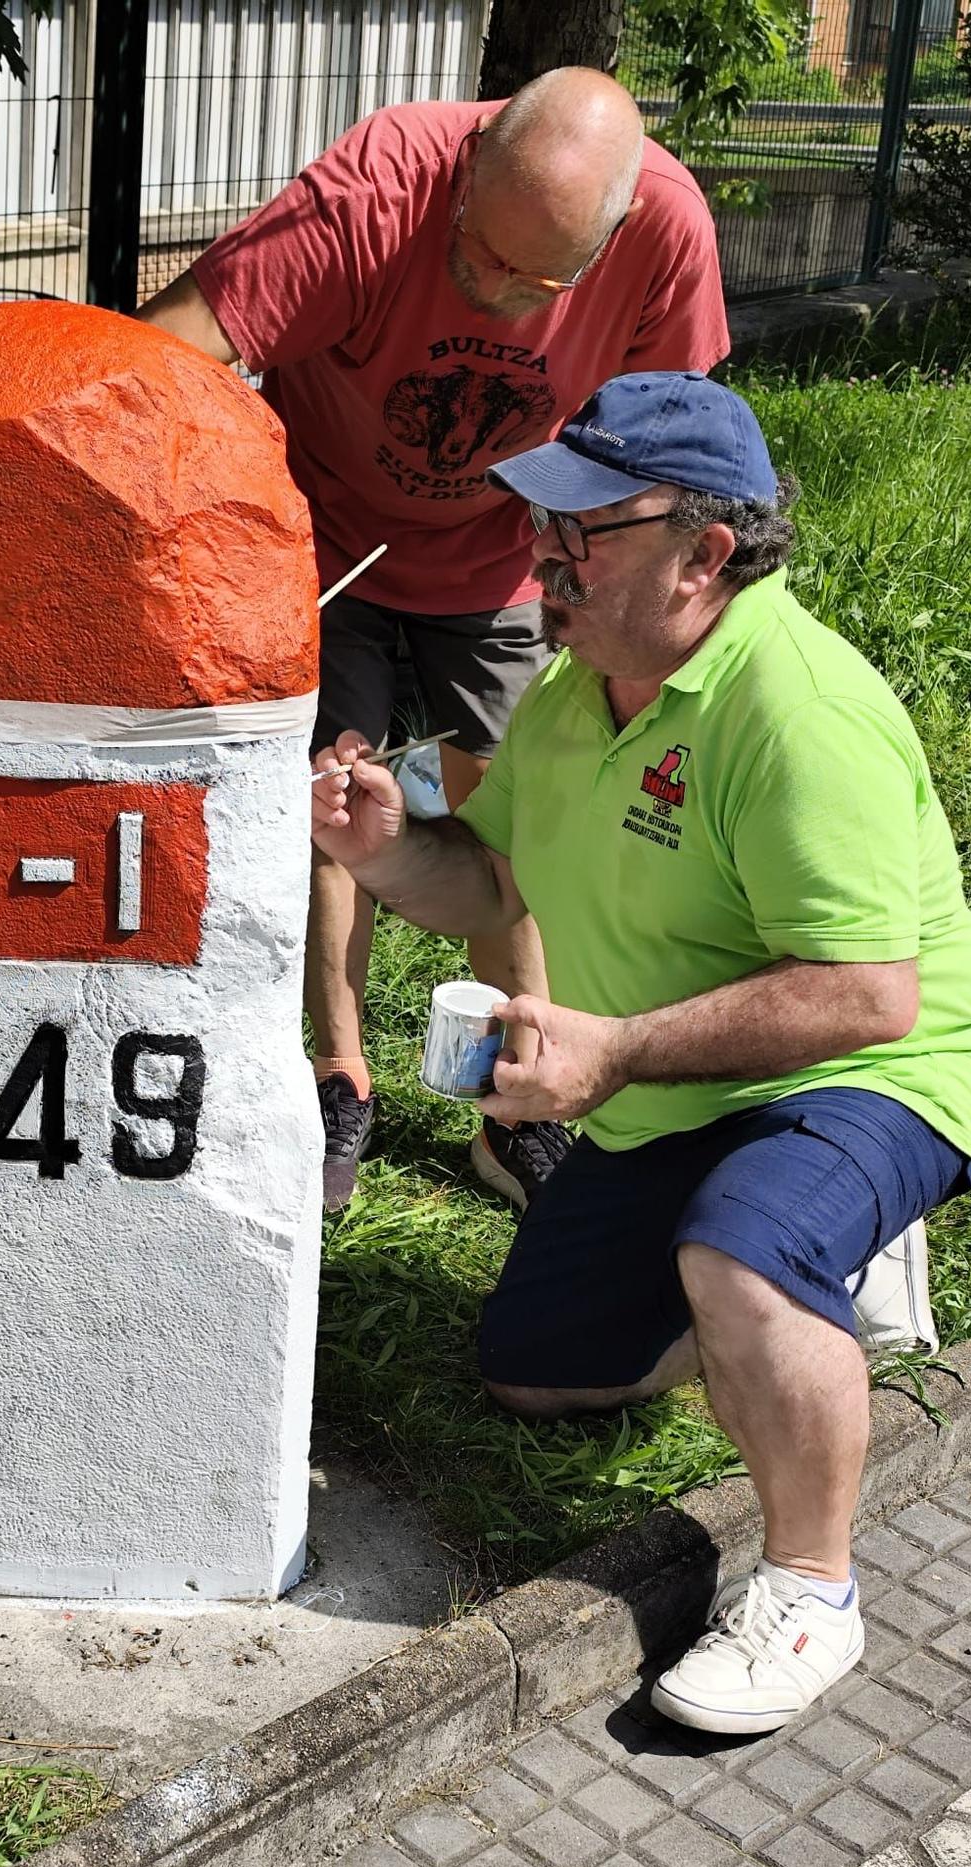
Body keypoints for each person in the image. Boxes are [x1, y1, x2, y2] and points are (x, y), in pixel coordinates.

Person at [310, 370, 971, 1733]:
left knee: (742, 1251)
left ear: (705, 557)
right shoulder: (579, 695)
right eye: (544, 527)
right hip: (677, 1096)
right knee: (530, 1366)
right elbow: (493, 884)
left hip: (867, 1078)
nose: (544, 560)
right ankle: (787, 1271)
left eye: (585, 535)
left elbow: (871, 997)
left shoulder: (800, 712)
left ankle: (813, 1591)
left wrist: (618, 1048)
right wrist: (386, 846)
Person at [138, 69, 729, 1214]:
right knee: (332, 799)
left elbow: (679, 437)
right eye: (479, 250)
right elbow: (163, 354)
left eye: (536, 276)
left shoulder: (667, 232)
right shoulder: (378, 185)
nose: (498, 293)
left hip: (505, 554)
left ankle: (513, 1099)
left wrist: (608, 592)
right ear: (466, 169)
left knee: (521, 818)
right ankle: (337, 1079)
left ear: (606, 245)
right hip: (319, 530)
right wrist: (217, 515)